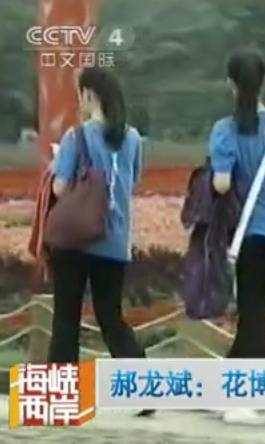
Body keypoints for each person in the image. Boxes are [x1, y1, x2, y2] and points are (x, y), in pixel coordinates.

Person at [49, 68, 153, 416]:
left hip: (76, 242)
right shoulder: (133, 138)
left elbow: (59, 188)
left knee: (66, 318)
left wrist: (58, 163)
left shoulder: (75, 137)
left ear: (89, 95)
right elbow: (130, 183)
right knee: (111, 317)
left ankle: (60, 399)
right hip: (115, 243)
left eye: (80, 95)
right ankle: (144, 390)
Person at [209, 49, 265, 425]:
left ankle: (258, 400)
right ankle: (228, 391)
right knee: (253, 310)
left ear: (230, 84)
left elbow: (221, 182)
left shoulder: (225, 130)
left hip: (245, 233)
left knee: (252, 312)